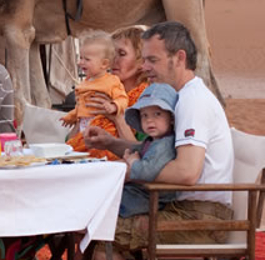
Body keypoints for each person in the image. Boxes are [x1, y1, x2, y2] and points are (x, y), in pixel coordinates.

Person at [84, 21, 233, 258]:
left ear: (179, 58)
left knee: (102, 233)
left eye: (152, 60)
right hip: (173, 207)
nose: (145, 67)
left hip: (198, 218)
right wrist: (111, 143)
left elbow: (186, 172)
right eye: (144, 60)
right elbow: (156, 153)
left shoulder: (192, 101)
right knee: (98, 226)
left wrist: (131, 170)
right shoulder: (179, 97)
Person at [66, 26, 151, 158]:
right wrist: (82, 112)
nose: (113, 60)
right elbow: (68, 144)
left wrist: (117, 117)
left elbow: (144, 152)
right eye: (111, 54)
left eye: (121, 54)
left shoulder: (148, 100)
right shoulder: (94, 89)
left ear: (142, 62)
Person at [61, 31, 129, 160]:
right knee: (76, 149)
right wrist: (71, 117)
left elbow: (122, 98)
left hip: (103, 126)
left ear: (103, 64)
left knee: (100, 150)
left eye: (86, 59)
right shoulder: (85, 82)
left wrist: (114, 106)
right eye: (80, 58)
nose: (81, 62)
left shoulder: (111, 81)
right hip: (84, 126)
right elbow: (82, 106)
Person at [118, 83, 178, 218]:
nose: (150, 120)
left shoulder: (165, 144)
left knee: (107, 202)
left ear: (172, 118)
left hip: (148, 198)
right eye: (144, 115)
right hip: (139, 193)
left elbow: (146, 171)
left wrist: (133, 162)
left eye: (157, 114)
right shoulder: (153, 140)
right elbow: (142, 151)